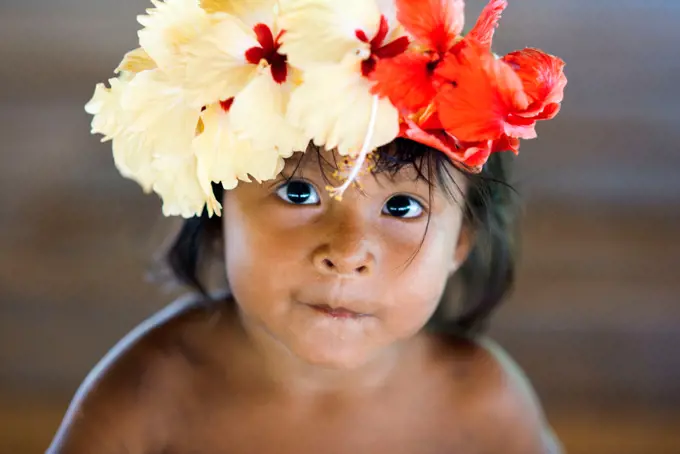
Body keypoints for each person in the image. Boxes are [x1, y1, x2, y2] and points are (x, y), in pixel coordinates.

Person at [48, 0, 567, 452]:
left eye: (403, 208)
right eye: (299, 193)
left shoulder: (480, 402)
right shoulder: (148, 394)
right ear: (216, 207)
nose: (347, 251)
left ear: (460, 242)